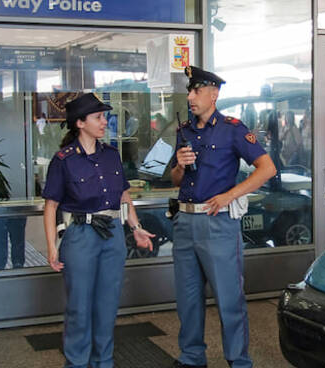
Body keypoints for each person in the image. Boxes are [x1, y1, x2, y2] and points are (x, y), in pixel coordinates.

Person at [170, 66, 276, 368]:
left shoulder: (232, 128)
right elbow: (178, 180)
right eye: (189, 91)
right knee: (188, 299)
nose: (190, 97)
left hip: (217, 222)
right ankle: (192, 357)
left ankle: (238, 361)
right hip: (185, 221)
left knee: (229, 299)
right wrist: (178, 164)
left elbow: (267, 169)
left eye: (196, 91)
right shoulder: (184, 131)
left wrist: (231, 195)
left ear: (213, 94)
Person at [41, 93, 155, 368]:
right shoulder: (64, 160)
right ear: (80, 123)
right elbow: (51, 206)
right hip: (80, 235)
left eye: (104, 116)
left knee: (107, 305)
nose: (105, 122)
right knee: (80, 307)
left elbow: (124, 197)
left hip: (113, 234)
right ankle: (77, 363)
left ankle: (104, 362)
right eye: (98, 117)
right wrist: (52, 246)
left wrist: (136, 228)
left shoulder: (111, 155)